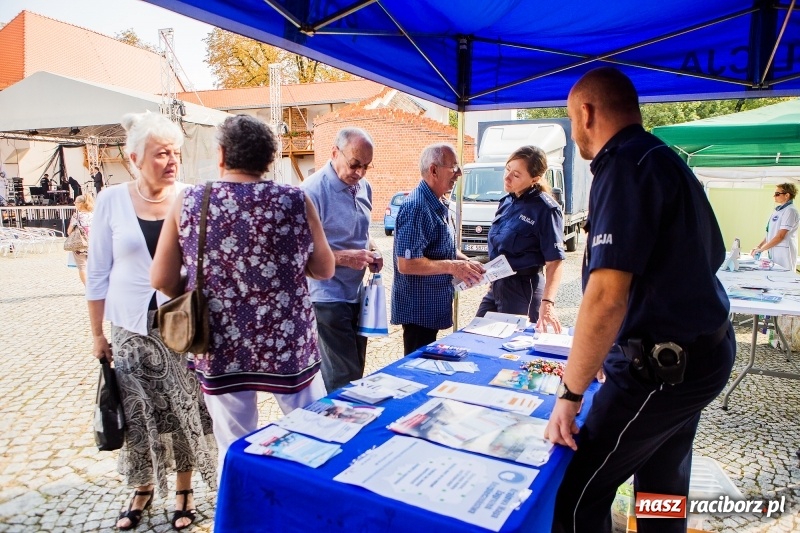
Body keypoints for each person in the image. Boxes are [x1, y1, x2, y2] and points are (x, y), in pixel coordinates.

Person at [544, 67, 735, 532]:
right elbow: (711, 255)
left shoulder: (622, 165)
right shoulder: (665, 159)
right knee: (661, 484)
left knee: (574, 493)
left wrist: (570, 393)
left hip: (665, 369)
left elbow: (606, 296)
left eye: (571, 119)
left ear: (586, 113)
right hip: (702, 355)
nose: (574, 133)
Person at [152, 114, 333, 479]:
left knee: (235, 445)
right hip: (287, 344)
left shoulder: (190, 201)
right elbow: (325, 269)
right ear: (269, 160)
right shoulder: (294, 200)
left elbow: (161, 278)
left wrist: (204, 284)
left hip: (220, 344)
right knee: (315, 434)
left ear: (221, 155)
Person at [86, 111, 216, 531]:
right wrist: (96, 333)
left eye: (176, 153)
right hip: (129, 329)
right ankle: (141, 488)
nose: (172, 160)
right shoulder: (110, 201)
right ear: (135, 157)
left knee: (182, 411)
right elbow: (97, 272)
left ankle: (183, 490)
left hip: (179, 327)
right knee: (138, 415)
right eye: (162, 154)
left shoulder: (190, 197)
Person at [300, 128, 383, 392]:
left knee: (355, 370)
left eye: (366, 167)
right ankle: (338, 427)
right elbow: (300, 254)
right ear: (335, 153)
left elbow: (362, 232)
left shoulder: (363, 187)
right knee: (342, 377)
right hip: (326, 295)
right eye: (354, 164)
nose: (359, 173)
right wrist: (345, 258)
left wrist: (372, 250)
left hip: (357, 295)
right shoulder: (311, 192)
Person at [391, 143, 485, 355]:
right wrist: (454, 267)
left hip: (431, 307)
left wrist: (466, 264)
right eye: (453, 167)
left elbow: (442, 248)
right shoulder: (417, 206)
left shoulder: (436, 201)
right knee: (417, 368)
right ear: (434, 170)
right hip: (419, 310)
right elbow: (407, 264)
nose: (459, 173)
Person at [475, 145, 566, 331]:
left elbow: (555, 262)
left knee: (513, 346)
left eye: (516, 175)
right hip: (499, 286)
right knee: (476, 334)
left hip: (524, 290)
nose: (507, 177)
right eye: (507, 169)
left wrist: (547, 304)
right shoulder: (507, 202)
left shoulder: (546, 210)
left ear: (535, 179)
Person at [750, 183, 799, 271]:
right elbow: (770, 233)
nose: (774, 196)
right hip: (774, 251)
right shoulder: (778, 210)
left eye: (777, 194)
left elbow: (780, 236)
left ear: (787, 195)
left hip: (784, 253)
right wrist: (759, 246)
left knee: (784, 278)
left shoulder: (790, 211)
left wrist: (761, 250)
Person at [67, 194, 93, 285]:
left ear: (80, 204)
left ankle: (88, 287)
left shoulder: (77, 216)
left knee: (82, 267)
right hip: (93, 244)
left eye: (76, 202)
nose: (75, 204)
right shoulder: (93, 215)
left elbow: (69, 231)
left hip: (80, 244)